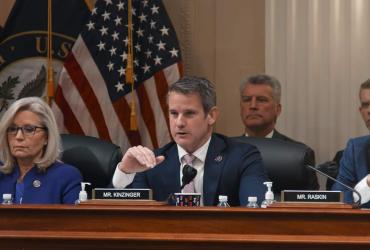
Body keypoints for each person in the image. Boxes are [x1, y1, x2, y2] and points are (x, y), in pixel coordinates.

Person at [112, 76, 268, 206]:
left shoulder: (242, 157)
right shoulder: (152, 164)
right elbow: (118, 218)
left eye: (189, 113)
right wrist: (124, 173)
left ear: (211, 116)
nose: (179, 122)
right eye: (174, 113)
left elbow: (256, 210)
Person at [235, 74, 319, 190]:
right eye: (247, 100)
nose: (253, 106)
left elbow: (311, 202)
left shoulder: (297, 154)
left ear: (277, 109)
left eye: (261, 100)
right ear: (240, 107)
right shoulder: (226, 151)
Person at [0, 97, 82, 204]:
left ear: (47, 137)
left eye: (29, 129)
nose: (18, 136)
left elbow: (75, 220)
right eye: (12, 129)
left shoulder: (66, 176)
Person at [332, 79, 370, 206]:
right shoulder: (355, 148)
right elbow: (339, 196)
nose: (369, 110)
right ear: (361, 112)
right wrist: (366, 186)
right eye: (365, 105)